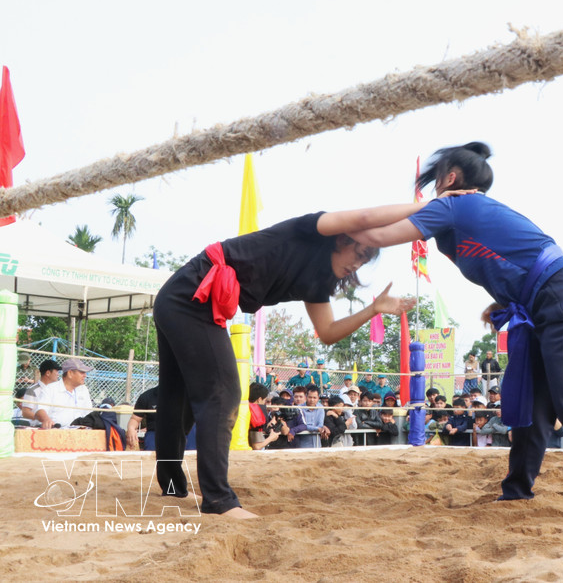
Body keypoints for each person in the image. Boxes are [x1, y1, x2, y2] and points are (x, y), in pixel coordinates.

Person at [351, 142, 563, 522]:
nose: (433, 191)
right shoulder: (469, 209)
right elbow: (517, 263)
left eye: (436, 182)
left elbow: (380, 236)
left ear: (450, 178)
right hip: (544, 305)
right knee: (531, 407)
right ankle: (517, 491)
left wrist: (324, 231)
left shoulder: (453, 205)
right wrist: (501, 303)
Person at [151, 198, 459, 518]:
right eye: (360, 252)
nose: (359, 262)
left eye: (366, 259)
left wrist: (373, 310)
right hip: (190, 297)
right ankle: (218, 501)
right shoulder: (311, 231)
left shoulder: (318, 281)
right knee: (223, 391)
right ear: (344, 238)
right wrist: (436, 206)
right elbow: (367, 215)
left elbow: (326, 332)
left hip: (180, 298)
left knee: (178, 396)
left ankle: (171, 485)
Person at [31, 359, 94, 429]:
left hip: (81, 433)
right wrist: (46, 420)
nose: (85, 375)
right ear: (70, 373)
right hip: (56, 432)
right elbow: (40, 410)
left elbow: (88, 413)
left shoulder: (83, 389)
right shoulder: (51, 389)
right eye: (82, 372)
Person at [20, 359, 62, 424]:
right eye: (56, 372)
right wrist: (43, 418)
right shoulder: (32, 390)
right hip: (38, 428)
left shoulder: (58, 390)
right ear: (48, 373)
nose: (58, 374)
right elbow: (25, 412)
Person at [126, 386, 159, 450]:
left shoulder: (184, 395)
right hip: (154, 433)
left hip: (181, 433)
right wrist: (131, 429)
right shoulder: (147, 396)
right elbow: (135, 419)